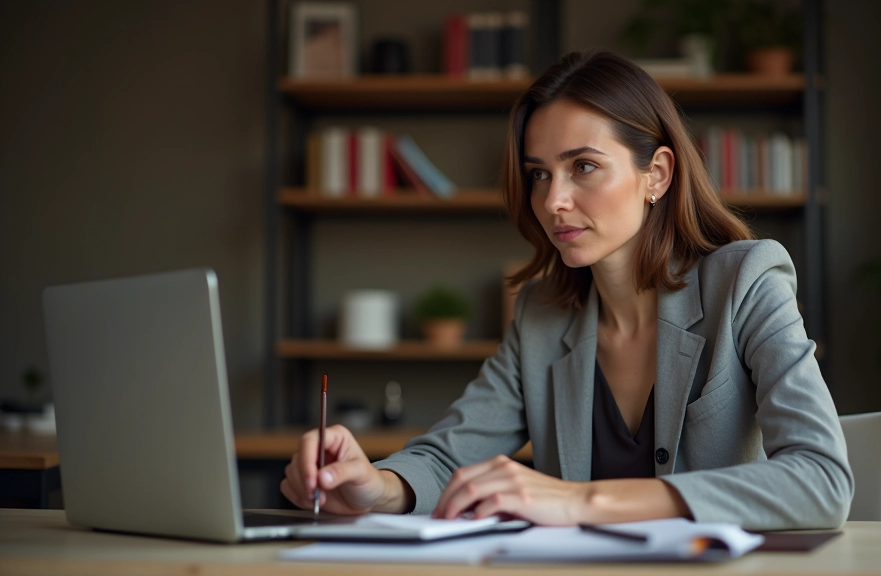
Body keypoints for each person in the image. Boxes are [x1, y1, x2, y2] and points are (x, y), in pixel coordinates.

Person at [280, 50, 852, 531]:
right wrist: (373, 486)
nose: (554, 201)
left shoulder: (746, 280)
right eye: (539, 174)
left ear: (656, 174)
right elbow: (450, 454)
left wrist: (584, 502)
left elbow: (823, 479)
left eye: (583, 166)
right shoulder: (542, 315)